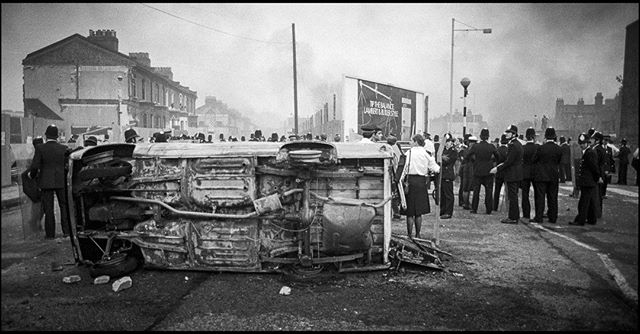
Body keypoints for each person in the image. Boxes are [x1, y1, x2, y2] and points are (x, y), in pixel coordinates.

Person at [28, 125, 71, 240]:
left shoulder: (40, 148)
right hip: (61, 181)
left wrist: (31, 176)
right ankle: (66, 231)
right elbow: (67, 166)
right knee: (64, 206)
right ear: (57, 136)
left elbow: (35, 166)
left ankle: (50, 234)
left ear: (46, 136)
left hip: (46, 181)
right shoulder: (64, 148)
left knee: (49, 208)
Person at [399, 133, 440, 238]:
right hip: (422, 182)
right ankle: (418, 234)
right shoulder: (426, 154)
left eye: (411, 141)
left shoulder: (409, 153)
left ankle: (409, 234)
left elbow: (404, 168)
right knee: (419, 212)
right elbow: (435, 168)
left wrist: (400, 180)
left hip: (410, 182)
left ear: (416, 142)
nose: (410, 142)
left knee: (409, 211)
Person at [490, 124, 523, 224]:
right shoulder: (518, 144)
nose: (506, 134)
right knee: (513, 196)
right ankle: (514, 216)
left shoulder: (512, 145)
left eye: (508, 133)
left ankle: (512, 217)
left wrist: (497, 168)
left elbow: (509, 161)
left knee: (512, 197)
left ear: (513, 134)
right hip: (517, 173)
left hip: (512, 174)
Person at [532, 127, 562, 223]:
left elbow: (534, 160)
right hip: (553, 175)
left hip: (541, 175)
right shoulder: (558, 149)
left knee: (540, 197)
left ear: (545, 136)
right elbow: (559, 161)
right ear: (554, 136)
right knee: (553, 197)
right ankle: (553, 217)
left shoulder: (541, 148)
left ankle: (539, 217)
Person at [570, 133, 600, 226]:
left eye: (583, 143)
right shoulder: (588, 152)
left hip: (588, 181)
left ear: (588, 143)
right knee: (590, 202)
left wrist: (596, 178)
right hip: (588, 181)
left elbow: (594, 168)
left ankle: (581, 220)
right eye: (580, 143)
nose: (581, 145)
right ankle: (592, 219)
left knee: (583, 202)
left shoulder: (589, 153)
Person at [468, 128, 499, 214]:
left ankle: (474, 208)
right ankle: (489, 209)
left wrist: (474, 161)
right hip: (488, 171)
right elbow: (498, 157)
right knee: (489, 192)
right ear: (488, 137)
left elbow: (468, 155)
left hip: (477, 170)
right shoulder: (491, 147)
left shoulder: (475, 146)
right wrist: (492, 161)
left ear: (480, 136)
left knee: (476, 192)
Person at [520, 127, 538, 221]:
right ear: (534, 136)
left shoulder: (523, 148)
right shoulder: (537, 147)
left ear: (526, 137)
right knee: (537, 194)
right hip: (535, 172)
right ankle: (538, 213)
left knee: (525, 194)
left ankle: (526, 213)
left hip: (525, 172)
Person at [439, 133, 458, 219]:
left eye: (448, 141)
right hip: (442, 174)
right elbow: (438, 158)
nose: (447, 143)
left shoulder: (453, 151)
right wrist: (442, 157)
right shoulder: (442, 150)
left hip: (448, 174)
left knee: (448, 194)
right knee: (442, 194)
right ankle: (442, 210)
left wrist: (442, 158)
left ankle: (448, 212)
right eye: (445, 141)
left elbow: (448, 160)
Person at [459, 135, 477, 210]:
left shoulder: (464, 150)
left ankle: (464, 202)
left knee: (464, 187)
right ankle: (466, 203)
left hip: (464, 169)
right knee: (468, 187)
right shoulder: (472, 151)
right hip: (470, 169)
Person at [493, 133, 509, 211]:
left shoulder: (497, 150)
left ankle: (495, 206)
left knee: (497, 191)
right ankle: (507, 208)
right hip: (506, 172)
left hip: (498, 172)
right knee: (507, 192)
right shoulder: (509, 150)